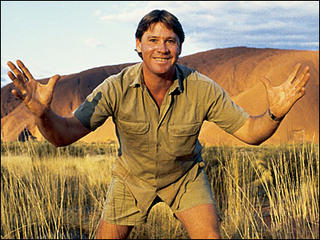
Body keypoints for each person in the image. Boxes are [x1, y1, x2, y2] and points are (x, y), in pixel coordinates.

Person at [7, 9, 310, 239]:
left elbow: (249, 133)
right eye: (152, 40)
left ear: (180, 46)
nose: (161, 48)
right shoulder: (116, 87)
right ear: (138, 45)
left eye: (170, 41)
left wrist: (275, 113)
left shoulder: (201, 88)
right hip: (131, 179)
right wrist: (42, 114)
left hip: (184, 178)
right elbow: (65, 136)